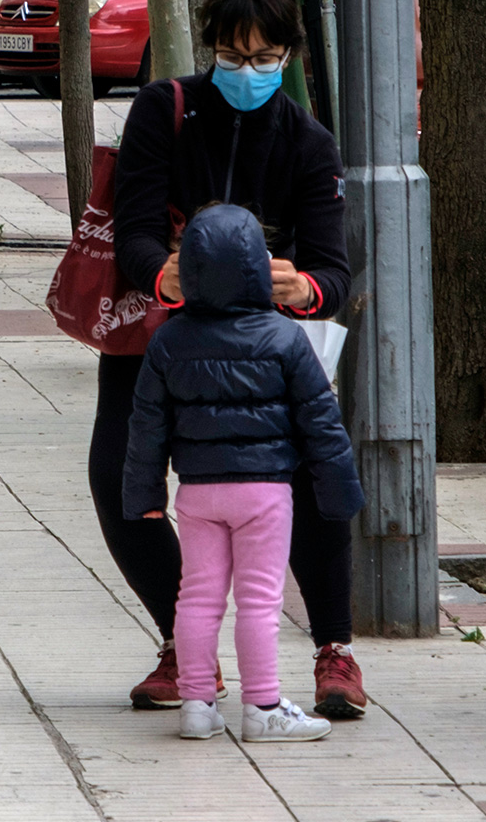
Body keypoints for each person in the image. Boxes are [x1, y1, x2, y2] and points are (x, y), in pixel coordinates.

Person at [97, 0, 367, 719]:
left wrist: (301, 288)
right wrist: (167, 274)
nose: (247, 71)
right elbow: (135, 232)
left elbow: (333, 273)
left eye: (264, 57)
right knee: (121, 475)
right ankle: (184, 647)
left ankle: (333, 649)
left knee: (312, 476)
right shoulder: (166, 110)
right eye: (233, 53)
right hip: (164, 337)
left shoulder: (308, 142)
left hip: (268, 351)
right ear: (211, 46)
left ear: (289, 55)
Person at [124, 202, 364, 743]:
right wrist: (339, 493)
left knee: (198, 598)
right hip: (265, 492)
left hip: (198, 495)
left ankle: (196, 705)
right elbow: (321, 423)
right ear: (261, 264)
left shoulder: (168, 341)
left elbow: (146, 427)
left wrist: (143, 494)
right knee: (259, 601)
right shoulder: (284, 339)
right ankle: (262, 707)